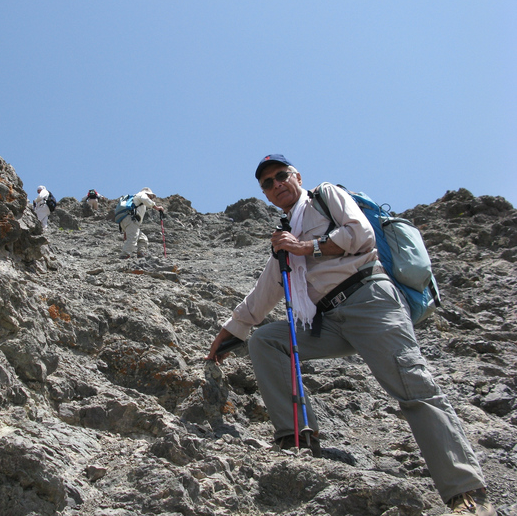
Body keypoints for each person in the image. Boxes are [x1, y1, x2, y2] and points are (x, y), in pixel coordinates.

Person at [206, 154, 494, 516]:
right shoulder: (286, 235)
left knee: (413, 388)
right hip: (328, 320)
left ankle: (466, 492)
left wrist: (306, 247)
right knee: (266, 340)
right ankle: (297, 438)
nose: (276, 184)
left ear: (297, 176)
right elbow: (265, 292)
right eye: (267, 183)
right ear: (264, 194)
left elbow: (360, 234)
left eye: (281, 176)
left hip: (369, 301)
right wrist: (227, 336)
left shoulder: (326, 196)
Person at [119, 187, 164, 259]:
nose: (151, 198)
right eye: (151, 196)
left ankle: (141, 253)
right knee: (132, 238)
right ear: (148, 194)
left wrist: (125, 232)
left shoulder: (135, 199)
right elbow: (145, 199)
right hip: (131, 220)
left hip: (127, 221)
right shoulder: (142, 194)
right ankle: (124, 255)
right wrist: (157, 207)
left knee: (143, 238)